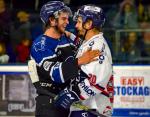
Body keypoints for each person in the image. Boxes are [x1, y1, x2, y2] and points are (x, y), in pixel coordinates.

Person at [28, 1, 100, 117]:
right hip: (49, 105)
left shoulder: (65, 38)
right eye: (63, 19)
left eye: (67, 19)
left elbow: (85, 46)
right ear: (52, 20)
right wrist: (80, 60)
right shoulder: (40, 45)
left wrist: (71, 36)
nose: (67, 22)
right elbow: (56, 74)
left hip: (67, 102)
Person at [65, 5, 114, 117]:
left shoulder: (97, 47)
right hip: (84, 107)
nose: (76, 25)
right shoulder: (90, 42)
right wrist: (70, 36)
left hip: (92, 109)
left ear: (88, 24)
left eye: (78, 22)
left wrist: (72, 94)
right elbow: (82, 45)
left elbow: (97, 82)